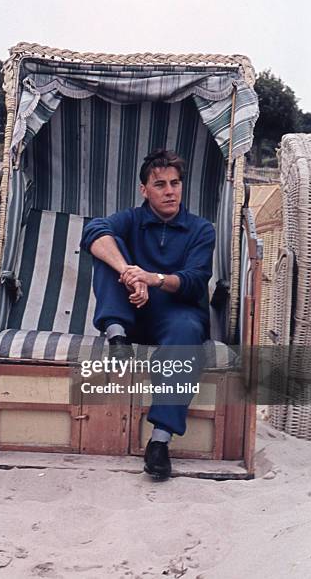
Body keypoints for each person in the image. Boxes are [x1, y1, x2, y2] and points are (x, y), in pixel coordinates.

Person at [80, 149, 215, 480]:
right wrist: (129, 272)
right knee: (105, 242)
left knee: (186, 332)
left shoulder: (201, 230)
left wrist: (151, 279)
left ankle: (159, 443)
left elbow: (195, 282)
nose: (170, 191)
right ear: (144, 190)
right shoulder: (132, 219)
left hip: (176, 316)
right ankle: (117, 337)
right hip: (130, 314)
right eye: (160, 185)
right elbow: (91, 232)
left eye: (175, 183)